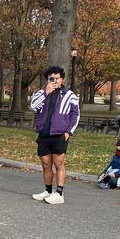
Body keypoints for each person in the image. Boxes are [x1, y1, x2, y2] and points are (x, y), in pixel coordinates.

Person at [29, 65, 80, 204]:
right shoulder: (41, 93)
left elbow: (75, 114)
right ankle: (48, 190)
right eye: (51, 78)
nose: (54, 81)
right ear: (47, 79)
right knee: (46, 164)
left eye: (57, 78)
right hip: (44, 133)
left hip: (60, 134)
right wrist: (46, 93)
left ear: (62, 79)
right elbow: (33, 106)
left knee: (59, 163)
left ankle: (59, 194)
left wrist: (68, 132)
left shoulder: (70, 95)